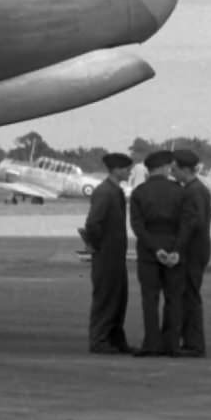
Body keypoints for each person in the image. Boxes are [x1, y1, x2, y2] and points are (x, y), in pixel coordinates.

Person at [127, 150, 190, 355]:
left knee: (150, 299)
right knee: (174, 299)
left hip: (149, 252)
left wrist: (156, 249)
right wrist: (176, 250)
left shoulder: (139, 192)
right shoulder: (180, 191)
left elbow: (137, 226)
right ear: (164, 168)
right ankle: (172, 345)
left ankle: (152, 344)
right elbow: (186, 224)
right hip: (174, 249)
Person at [79, 151, 133, 354]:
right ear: (116, 169)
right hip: (106, 254)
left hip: (115, 255)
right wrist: (96, 245)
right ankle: (99, 340)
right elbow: (93, 223)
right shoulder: (105, 192)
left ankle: (115, 340)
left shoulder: (114, 191)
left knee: (118, 298)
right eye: (126, 169)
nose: (129, 172)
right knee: (106, 298)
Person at [168, 147, 211, 356]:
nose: (172, 172)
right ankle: (191, 342)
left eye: (175, 169)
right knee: (188, 295)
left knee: (190, 297)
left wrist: (178, 248)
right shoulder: (197, 189)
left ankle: (194, 344)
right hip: (197, 249)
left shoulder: (193, 191)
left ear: (185, 169)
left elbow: (193, 223)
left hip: (193, 252)